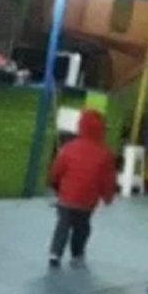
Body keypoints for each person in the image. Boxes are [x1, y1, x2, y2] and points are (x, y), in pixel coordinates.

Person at [48, 110, 116, 269]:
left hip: (66, 197)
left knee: (63, 225)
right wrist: (107, 197)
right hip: (87, 200)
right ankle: (77, 252)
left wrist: (54, 184)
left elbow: (57, 170)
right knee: (82, 226)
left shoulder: (69, 148)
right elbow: (107, 179)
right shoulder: (105, 154)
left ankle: (55, 253)